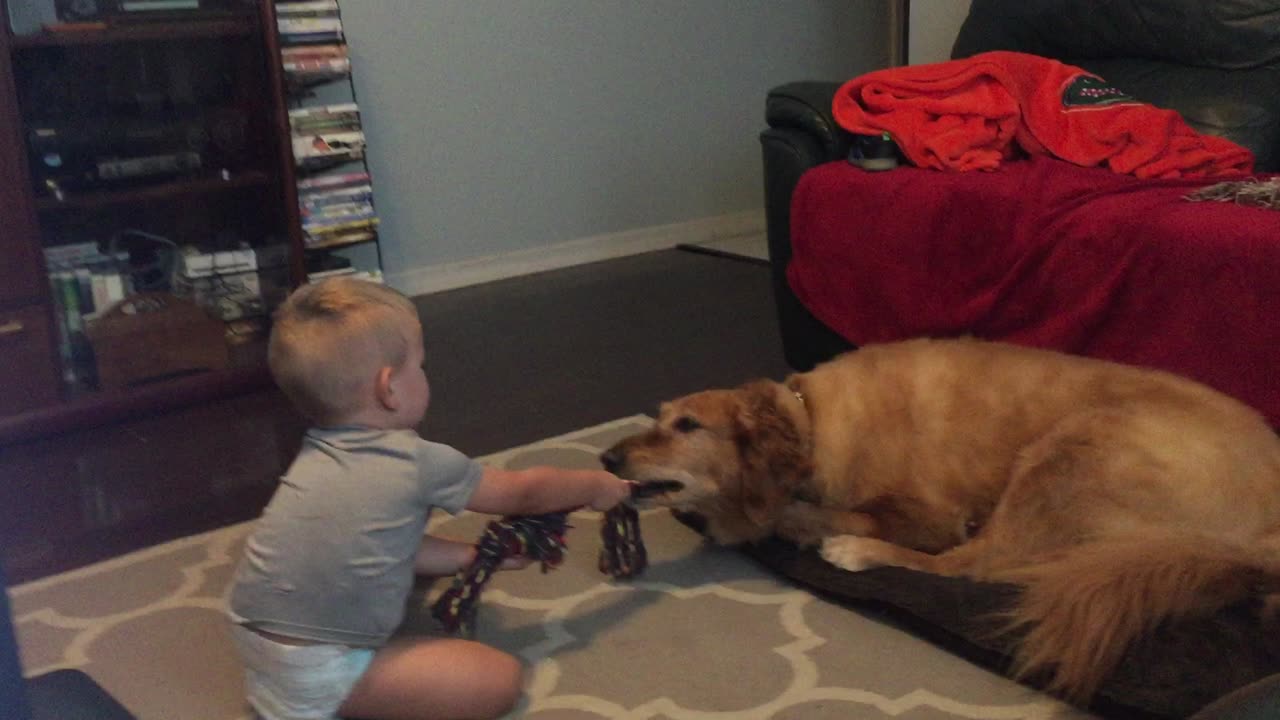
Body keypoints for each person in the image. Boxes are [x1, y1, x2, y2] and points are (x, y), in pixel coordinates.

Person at [226, 277, 631, 720]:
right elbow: (526, 494)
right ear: (389, 389)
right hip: (322, 666)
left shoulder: (315, 453)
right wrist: (594, 486)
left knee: (389, 570)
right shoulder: (417, 462)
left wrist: (472, 556)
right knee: (497, 678)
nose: (424, 375)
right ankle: (319, 700)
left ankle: (285, 687)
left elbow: (380, 546)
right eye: (420, 366)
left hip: (251, 629)